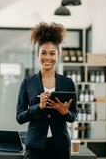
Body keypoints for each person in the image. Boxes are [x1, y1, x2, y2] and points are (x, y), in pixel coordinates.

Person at [16, 22, 77, 159]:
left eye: (52, 53)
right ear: (38, 54)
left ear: (58, 55)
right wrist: (39, 107)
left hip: (60, 146)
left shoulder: (67, 83)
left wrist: (65, 112)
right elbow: (20, 117)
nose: (47, 57)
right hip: (34, 147)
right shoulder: (28, 83)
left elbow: (74, 116)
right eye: (43, 53)